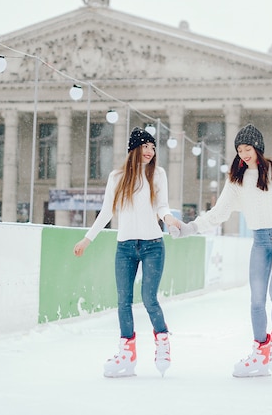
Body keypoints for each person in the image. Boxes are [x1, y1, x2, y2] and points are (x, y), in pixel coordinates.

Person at [169, 123, 272, 378]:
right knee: (256, 299)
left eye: (247, 148)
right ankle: (260, 351)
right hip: (261, 241)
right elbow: (218, 213)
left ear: (258, 148)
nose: (243, 154)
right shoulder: (237, 180)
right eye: (239, 150)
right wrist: (190, 228)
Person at [73, 127, 178, 378]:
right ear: (134, 149)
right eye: (145, 146)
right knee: (123, 301)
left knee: (149, 297)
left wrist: (168, 217)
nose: (150, 152)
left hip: (153, 244)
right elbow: (107, 211)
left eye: (153, 148)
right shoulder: (117, 177)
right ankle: (127, 354)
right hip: (125, 247)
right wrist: (87, 239)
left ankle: (162, 342)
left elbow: (161, 204)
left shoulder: (158, 174)